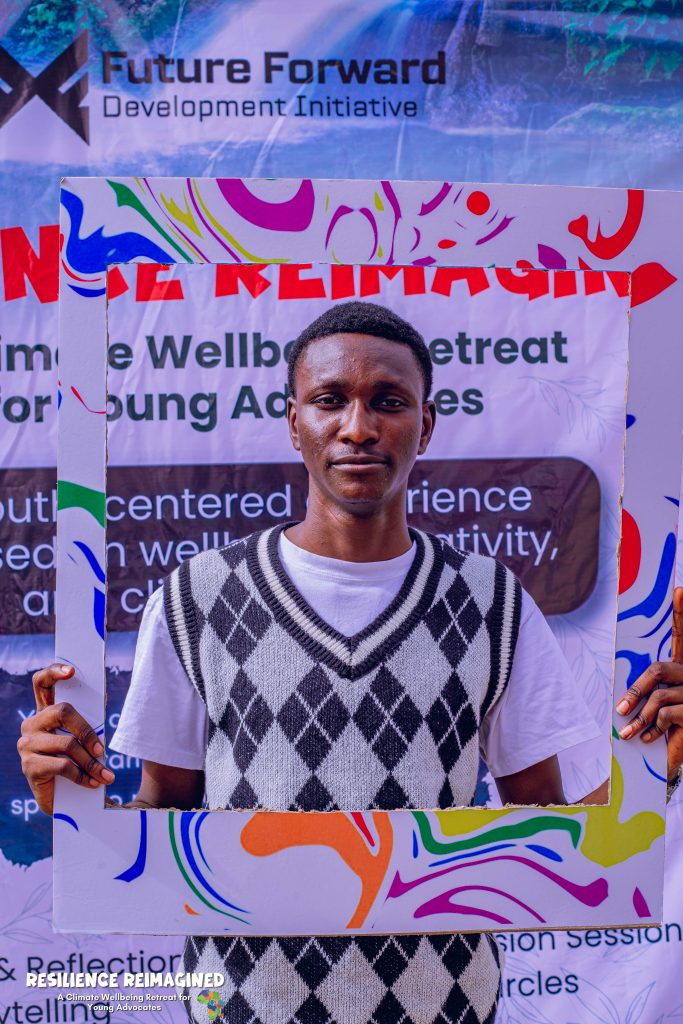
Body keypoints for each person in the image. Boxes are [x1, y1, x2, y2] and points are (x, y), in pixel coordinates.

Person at [18, 301, 683, 1024]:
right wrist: (76, 809)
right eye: (329, 400)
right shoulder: (196, 597)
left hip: (447, 1005)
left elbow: (550, 836)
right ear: (292, 420)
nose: (358, 428)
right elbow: (166, 815)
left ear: (424, 425)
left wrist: (662, 766)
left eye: (388, 403)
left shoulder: (493, 600)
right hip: (243, 1004)